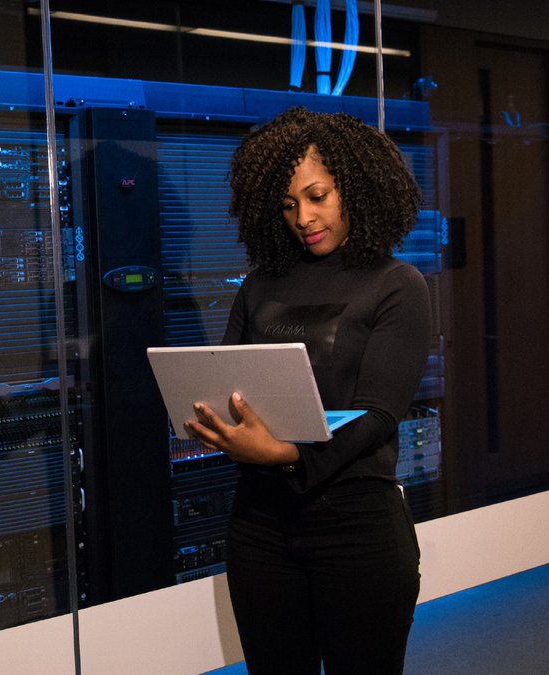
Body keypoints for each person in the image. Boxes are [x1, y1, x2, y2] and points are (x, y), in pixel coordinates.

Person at [184, 107, 430, 675]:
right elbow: (225, 383)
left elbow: (378, 414)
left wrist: (288, 455)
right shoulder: (259, 285)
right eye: (289, 204)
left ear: (357, 188)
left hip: (358, 527)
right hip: (259, 527)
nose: (304, 217)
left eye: (318, 196)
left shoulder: (397, 284)